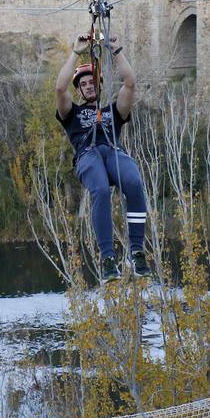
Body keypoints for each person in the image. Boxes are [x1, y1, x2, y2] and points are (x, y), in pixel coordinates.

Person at [56, 32, 151, 282]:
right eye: (83, 84)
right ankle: (108, 258)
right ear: (80, 90)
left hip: (112, 151)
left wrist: (116, 51)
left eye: (91, 83)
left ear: (97, 86)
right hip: (88, 155)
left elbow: (130, 83)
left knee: (134, 181)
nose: (88, 86)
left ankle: (136, 250)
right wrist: (76, 52)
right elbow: (59, 87)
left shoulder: (113, 110)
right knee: (99, 189)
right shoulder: (72, 114)